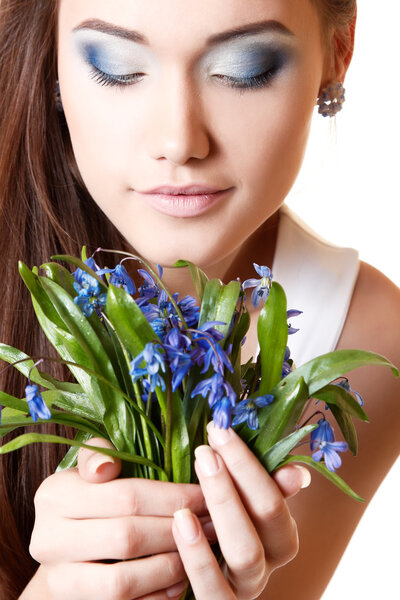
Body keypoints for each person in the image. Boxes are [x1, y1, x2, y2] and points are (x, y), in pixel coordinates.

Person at [0, 0, 398, 598]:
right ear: (53, 56)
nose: (179, 141)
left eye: (244, 67)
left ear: (336, 53)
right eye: (117, 66)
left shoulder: (363, 336)